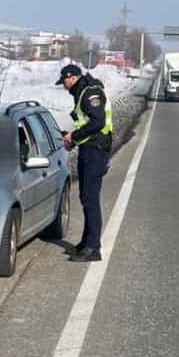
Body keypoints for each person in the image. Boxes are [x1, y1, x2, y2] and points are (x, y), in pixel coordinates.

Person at [55, 62, 113, 262]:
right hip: (90, 148)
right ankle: (86, 242)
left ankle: (93, 248)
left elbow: (98, 122)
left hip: (96, 151)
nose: (64, 86)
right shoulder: (83, 91)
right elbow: (85, 121)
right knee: (86, 198)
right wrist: (74, 137)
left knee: (90, 200)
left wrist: (75, 136)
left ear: (72, 77)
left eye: (64, 81)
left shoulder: (89, 92)